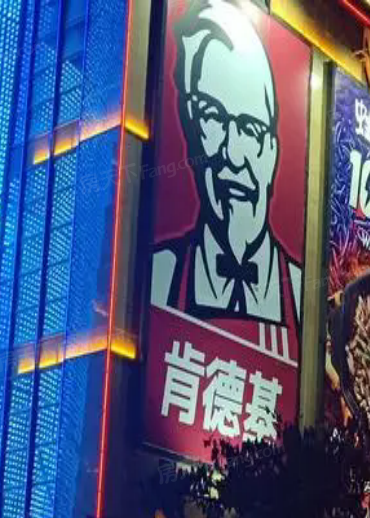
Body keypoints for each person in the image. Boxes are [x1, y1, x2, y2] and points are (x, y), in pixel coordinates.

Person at [150, 0, 300, 327]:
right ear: (192, 132)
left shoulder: (303, 296)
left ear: (272, 152)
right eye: (213, 118)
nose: (234, 154)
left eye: (251, 128)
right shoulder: (159, 275)